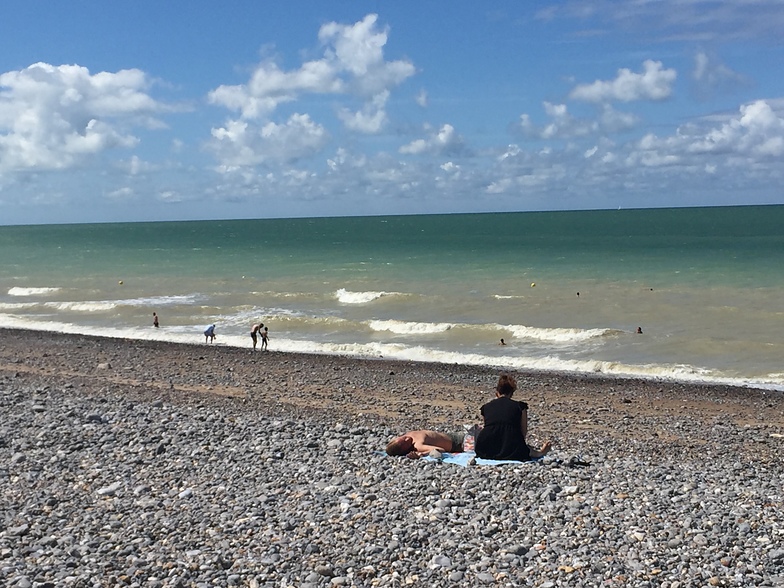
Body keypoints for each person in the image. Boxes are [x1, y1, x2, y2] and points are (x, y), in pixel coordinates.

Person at [475, 373, 551, 461]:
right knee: (525, 449)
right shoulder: (520, 407)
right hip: (512, 447)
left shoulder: (486, 407)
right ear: (511, 394)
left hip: (484, 448)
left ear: (497, 393)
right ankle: (540, 453)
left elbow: (489, 427)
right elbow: (523, 432)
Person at [386, 429, 467, 459]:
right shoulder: (418, 445)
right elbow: (441, 450)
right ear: (406, 449)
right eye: (406, 442)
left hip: (453, 435)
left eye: (403, 438)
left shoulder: (408, 435)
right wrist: (422, 454)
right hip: (458, 444)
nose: (407, 438)